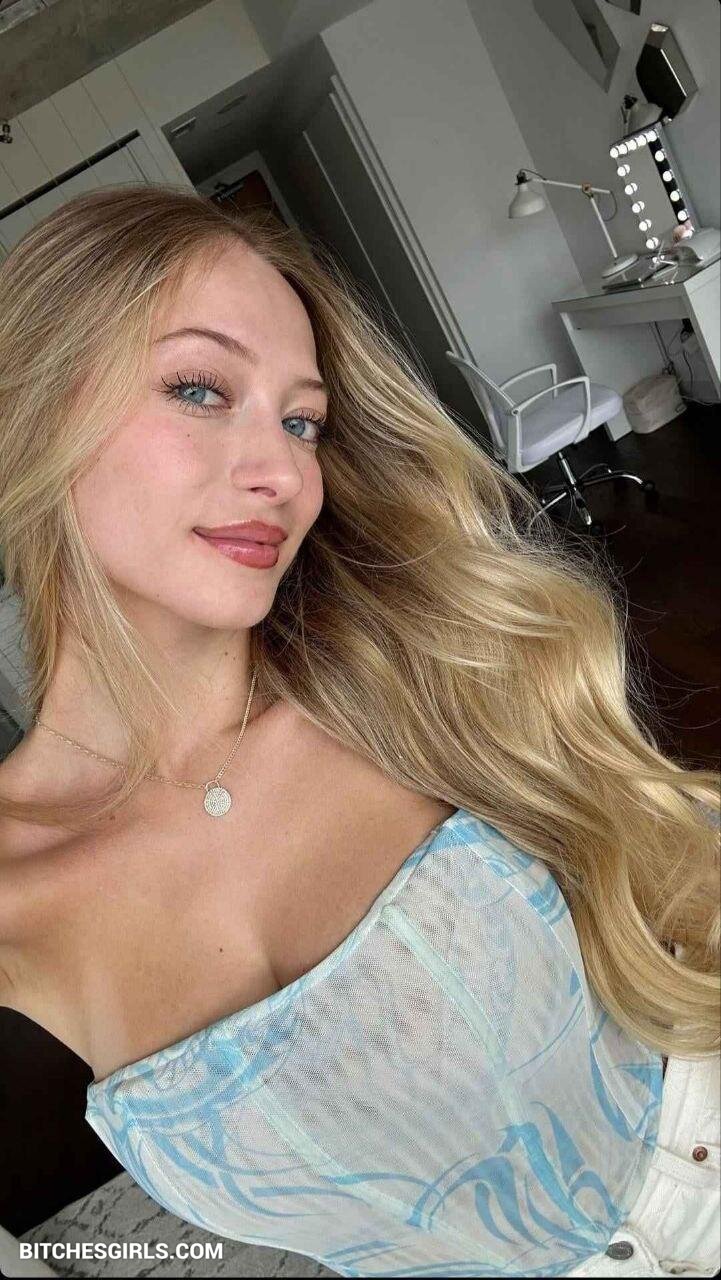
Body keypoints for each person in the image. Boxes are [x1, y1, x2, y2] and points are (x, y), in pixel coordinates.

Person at [0, 185, 718, 1278]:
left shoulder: (412, 672)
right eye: (199, 389)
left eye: (302, 422)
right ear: (31, 410)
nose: (284, 473)